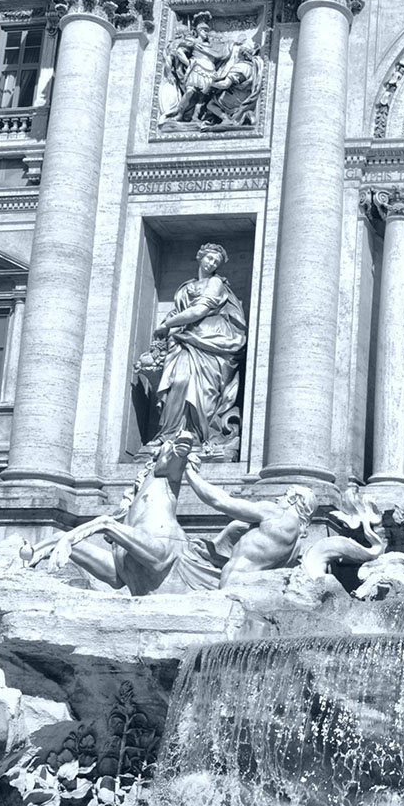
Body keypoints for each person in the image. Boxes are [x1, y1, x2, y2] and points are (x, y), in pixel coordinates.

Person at [141, 242, 247, 459]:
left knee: (202, 391)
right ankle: (170, 434)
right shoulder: (187, 285)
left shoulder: (216, 283)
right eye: (209, 258)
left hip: (210, 341)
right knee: (178, 382)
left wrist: (167, 325)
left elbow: (199, 310)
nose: (212, 263)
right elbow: (182, 311)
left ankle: (197, 437)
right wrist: (170, 327)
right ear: (200, 257)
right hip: (185, 340)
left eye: (216, 261)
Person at [184, 461, 317, 587]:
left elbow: (220, 501)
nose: (278, 498)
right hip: (246, 589)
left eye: (284, 495)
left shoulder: (278, 513)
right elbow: (254, 569)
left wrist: (190, 473)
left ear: (293, 499)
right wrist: (215, 558)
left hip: (233, 587)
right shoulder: (296, 544)